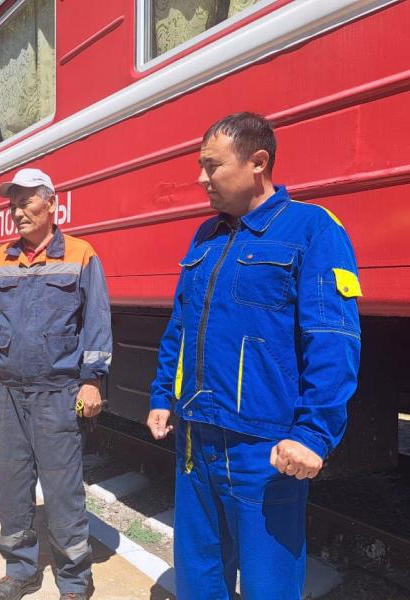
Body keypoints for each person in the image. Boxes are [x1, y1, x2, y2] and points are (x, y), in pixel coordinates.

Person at [148, 113, 361, 599]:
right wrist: (163, 395)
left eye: (212, 166)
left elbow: (333, 339)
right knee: (199, 574)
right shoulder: (206, 236)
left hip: (262, 449)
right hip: (194, 437)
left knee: (269, 585)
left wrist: (314, 434)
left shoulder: (312, 230)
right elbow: (180, 327)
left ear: (258, 162)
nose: (201, 179)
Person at [0, 168, 112, 600]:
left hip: (59, 392)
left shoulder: (81, 254)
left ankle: (74, 579)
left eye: (25, 201)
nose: (16, 211)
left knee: (61, 487)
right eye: (11, 204)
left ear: (51, 203)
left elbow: (97, 322)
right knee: (12, 487)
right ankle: (21, 571)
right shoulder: (0, 259)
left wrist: (92, 381)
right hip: (11, 392)